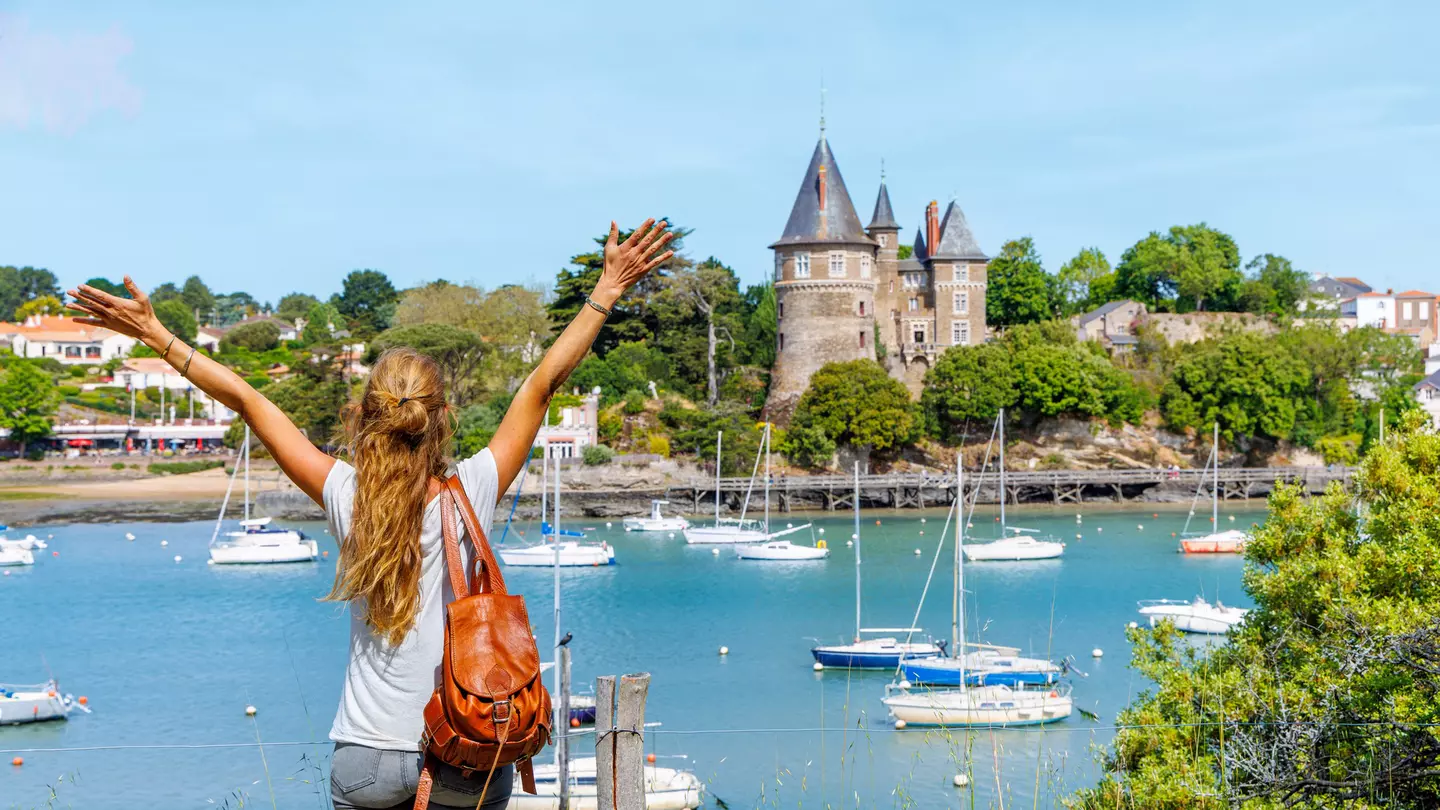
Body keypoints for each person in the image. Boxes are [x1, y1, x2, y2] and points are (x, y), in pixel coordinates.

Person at [68, 219, 675, 810]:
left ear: (366, 415)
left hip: (365, 759)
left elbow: (249, 401)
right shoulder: (475, 489)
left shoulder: (346, 494)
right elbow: (542, 384)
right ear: (442, 416)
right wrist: (605, 292)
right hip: (463, 750)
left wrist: (156, 334)